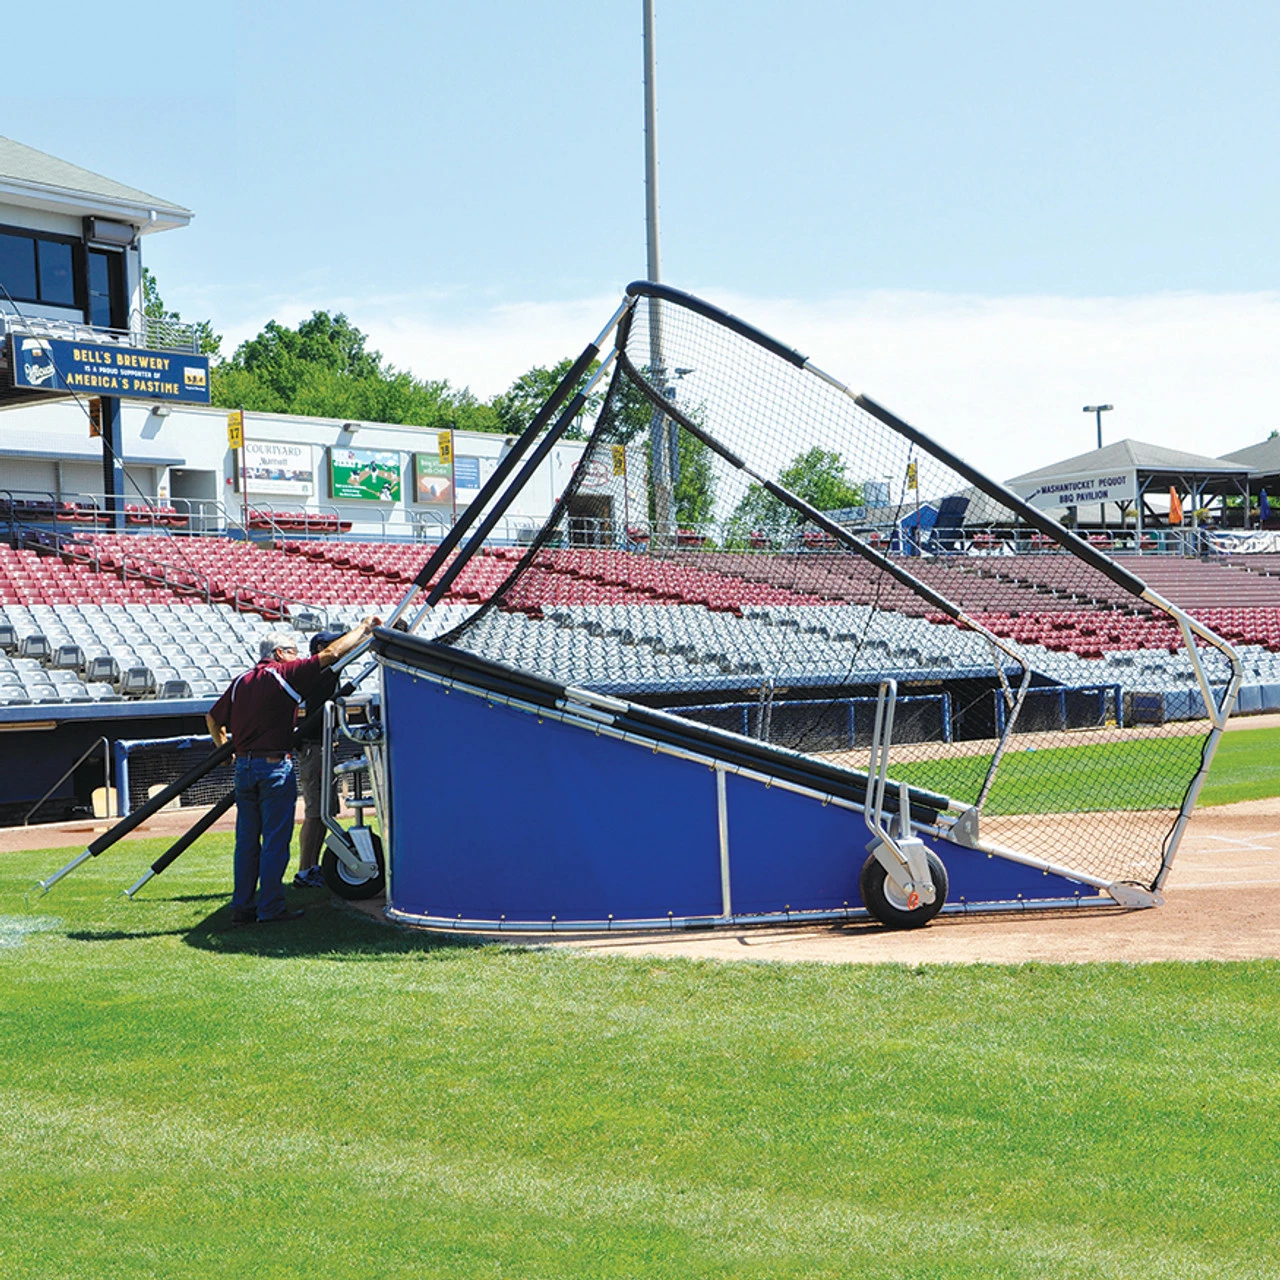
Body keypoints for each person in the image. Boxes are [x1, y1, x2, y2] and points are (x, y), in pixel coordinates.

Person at [206, 618, 379, 924]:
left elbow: (212, 718)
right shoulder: (283, 674)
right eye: (295, 652)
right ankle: (270, 908)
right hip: (274, 767)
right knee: (274, 840)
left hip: (243, 768)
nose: (299, 657)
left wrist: (224, 753)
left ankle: (242, 906)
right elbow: (332, 654)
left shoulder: (240, 681)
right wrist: (364, 628)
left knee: (246, 843)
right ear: (281, 653)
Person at [292, 630, 343, 889]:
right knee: (315, 813)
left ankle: (311, 868)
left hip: (320, 746)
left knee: (324, 812)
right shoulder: (320, 672)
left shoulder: (325, 673)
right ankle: (304, 870)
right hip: (315, 748)